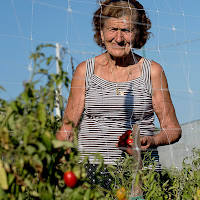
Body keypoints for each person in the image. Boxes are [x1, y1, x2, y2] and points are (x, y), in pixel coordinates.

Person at [56, 0, 182, 197]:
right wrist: (54, 159)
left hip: (140, 173)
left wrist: (152, 139)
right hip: (91, 172)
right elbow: (67, 128)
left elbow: (173, 128)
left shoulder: (152, 71)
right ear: (101, 30)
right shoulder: (85, 71)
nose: (119, 38)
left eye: (126, 30)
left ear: (139, 33)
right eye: (112, 29)